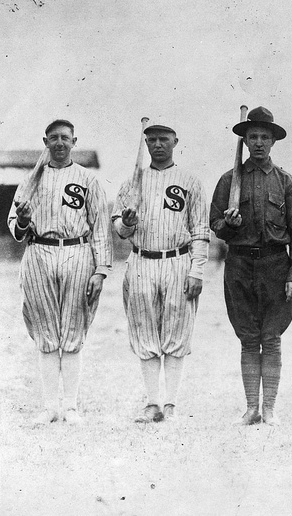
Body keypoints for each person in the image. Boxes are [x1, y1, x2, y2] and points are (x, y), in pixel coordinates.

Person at [8, 119, 112, 425]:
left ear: (74, 141)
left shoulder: (87, 179)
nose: (59, 143)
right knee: (45, 332)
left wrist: (101, 270)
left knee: (73, 331)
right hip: (39, 251)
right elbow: (15, 227)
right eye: (53, 138)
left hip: (78, 252)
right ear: (45, 141)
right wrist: (25, 220)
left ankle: (71, 407)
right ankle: (50, 407)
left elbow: (100, 228)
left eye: (65, 138)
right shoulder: (30, 180)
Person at [210, 107, 292, 427]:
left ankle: (270, 409)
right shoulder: (228, 181)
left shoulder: (287, 182)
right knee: (249, 339)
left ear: (273, 141)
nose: (259, 143)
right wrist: (228, 222)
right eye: (253, 137)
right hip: (239, 265)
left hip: (275, 265)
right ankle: (252, 407)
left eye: (265, 137)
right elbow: (215, 227)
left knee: (272, 337)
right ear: (246, 140)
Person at [112, 121, 209, 423]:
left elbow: (200, 230)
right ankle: (153, 402)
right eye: (151, 139)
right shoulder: (132, 182)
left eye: (163, 139)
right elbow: (120, 231)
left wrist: (198, 271)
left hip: (178, 261)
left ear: (175, 141)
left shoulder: (189, 181)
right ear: (145, 143)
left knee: (177, 333)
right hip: (141, 260)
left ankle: (172, 403)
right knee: (145, 332)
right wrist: (127, 221)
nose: (157, 144)